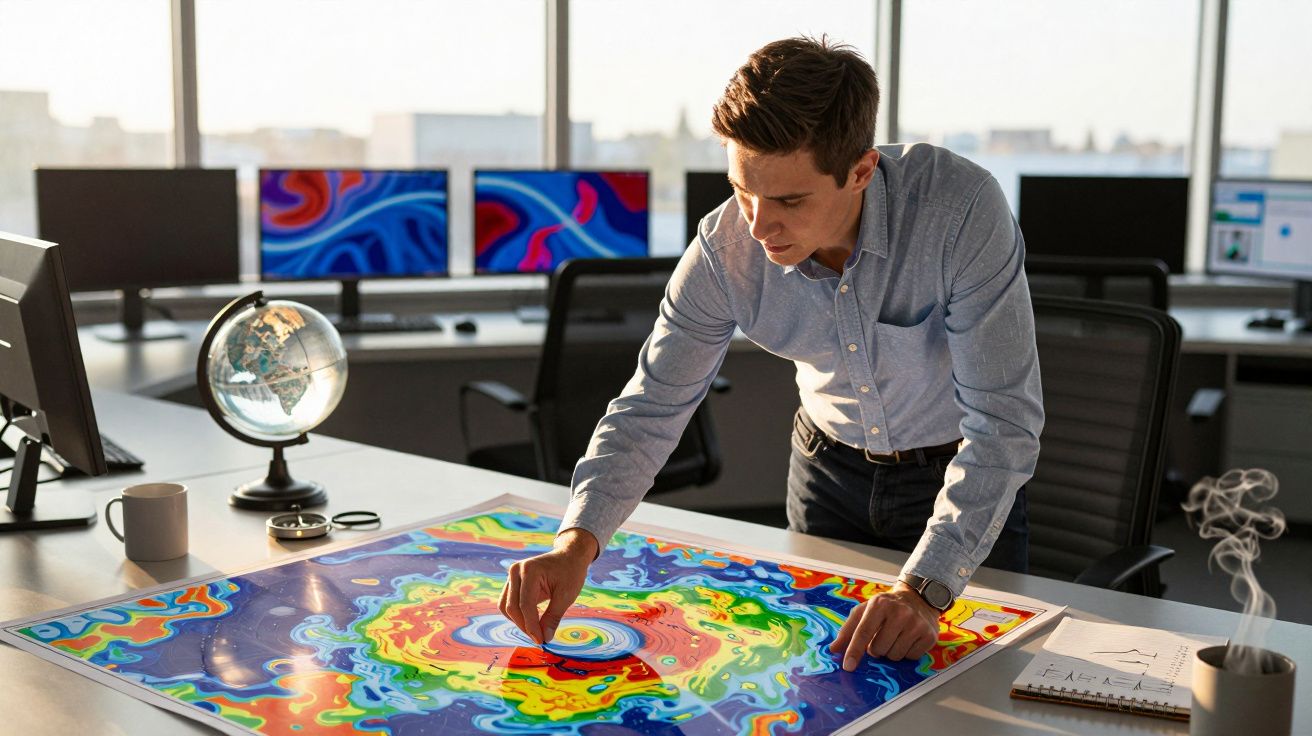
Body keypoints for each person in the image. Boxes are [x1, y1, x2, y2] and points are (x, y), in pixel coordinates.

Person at [499, 36, 1043, 672]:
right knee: (820, 685)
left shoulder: (960, 212)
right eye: (741, 190)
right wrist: (576, 542)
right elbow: (652, 407)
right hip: (827, 477)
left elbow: (1003, 425)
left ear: (862, 170)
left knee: (975, 695)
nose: (758, 226)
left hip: (960, 480)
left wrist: (926, 589)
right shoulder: (725, 248)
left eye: (788, 201)